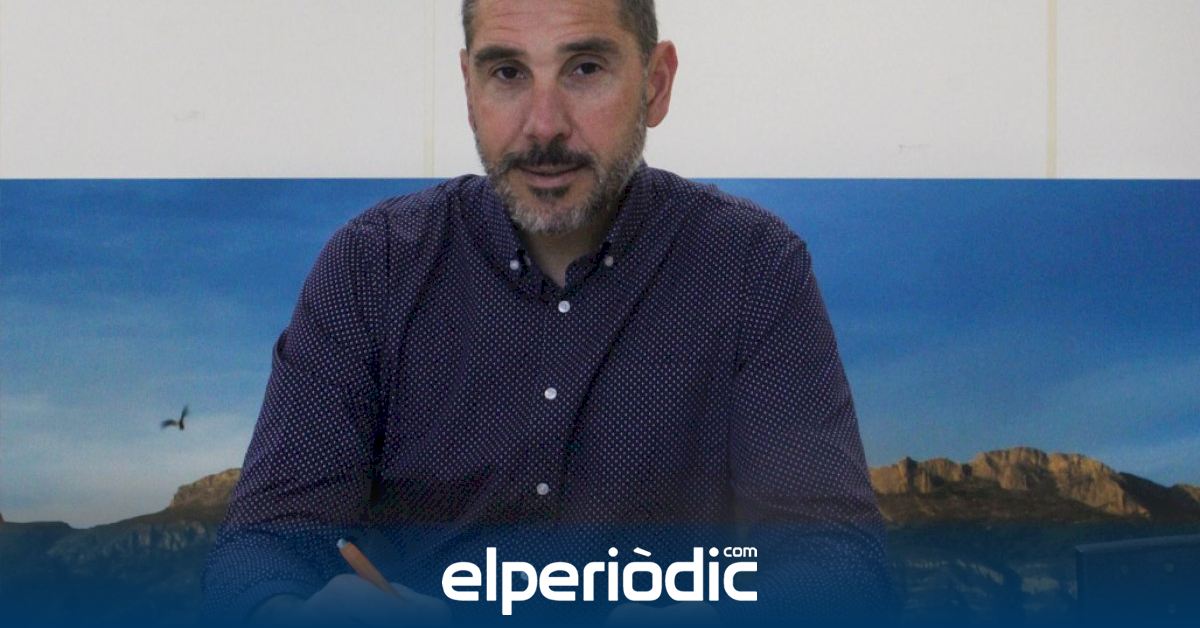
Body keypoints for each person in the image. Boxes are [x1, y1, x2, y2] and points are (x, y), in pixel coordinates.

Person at [203, 0, 893, 625]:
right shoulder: (371, 266)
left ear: (656, 84)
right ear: (469, 89)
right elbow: (261, 546)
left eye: (584, 68)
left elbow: (836, 559)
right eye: (507, 73)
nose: (543, 126)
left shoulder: (753, 267)